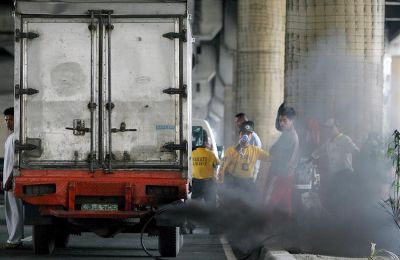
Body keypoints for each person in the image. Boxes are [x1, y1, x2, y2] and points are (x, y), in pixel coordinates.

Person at [310, 118, 360, 212]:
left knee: (343, 199)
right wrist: (311, 157)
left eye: (331, 127)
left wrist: (359, 158)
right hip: (335, 174)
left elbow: (355, 150)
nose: (329, 130)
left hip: (345, 174)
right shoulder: (329, 142)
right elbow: (320, 151)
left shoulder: (345, 139)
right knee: (332, 198)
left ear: (338, 127)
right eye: (327, 128)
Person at [218, 121, 270, 200]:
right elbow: (222, 167)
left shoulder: (256, 150)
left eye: (248, 134)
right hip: (233, 182)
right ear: (240, 134)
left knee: (258, 198)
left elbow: (269, 157)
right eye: (243, 133)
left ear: (251, 135)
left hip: (247, 182)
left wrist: (282, 155)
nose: (245, 136)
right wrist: (221, 184)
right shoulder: (231, 151)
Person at [264, 106, 299, 216]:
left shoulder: (289, 136)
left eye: (284, 120)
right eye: (280, 120)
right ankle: (286, 228)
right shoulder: (289, 134)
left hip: (280, 174)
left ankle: (260, 226)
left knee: (268, 201)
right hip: (288, 174)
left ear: (291, 121)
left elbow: (273, 150)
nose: (281, 123)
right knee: (286, 204)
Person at [0, 107, 24, 249]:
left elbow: (17, 162)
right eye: (6, 120)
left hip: (14, 179)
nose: (7, 123)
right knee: (10, 209)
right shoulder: (10, 137)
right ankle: (13, 238)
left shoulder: (17, 137)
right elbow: (8, 162)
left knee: (15, 210)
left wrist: (9, 179)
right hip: (9, 178)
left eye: (10, 119)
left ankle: (15, 240)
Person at [191, 131, 219, 206]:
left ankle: (196, 217)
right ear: (206, 142)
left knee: (195, 205)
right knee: (211, 205)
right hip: (208, 183)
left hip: (196, 183)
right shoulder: (210, 154)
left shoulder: (192, 153)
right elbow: (217, 163)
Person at [234, 113, 262, 181]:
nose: (236, 124)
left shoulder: (252, 137)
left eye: (237, 121)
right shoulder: (245, 135)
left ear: (243, 121)